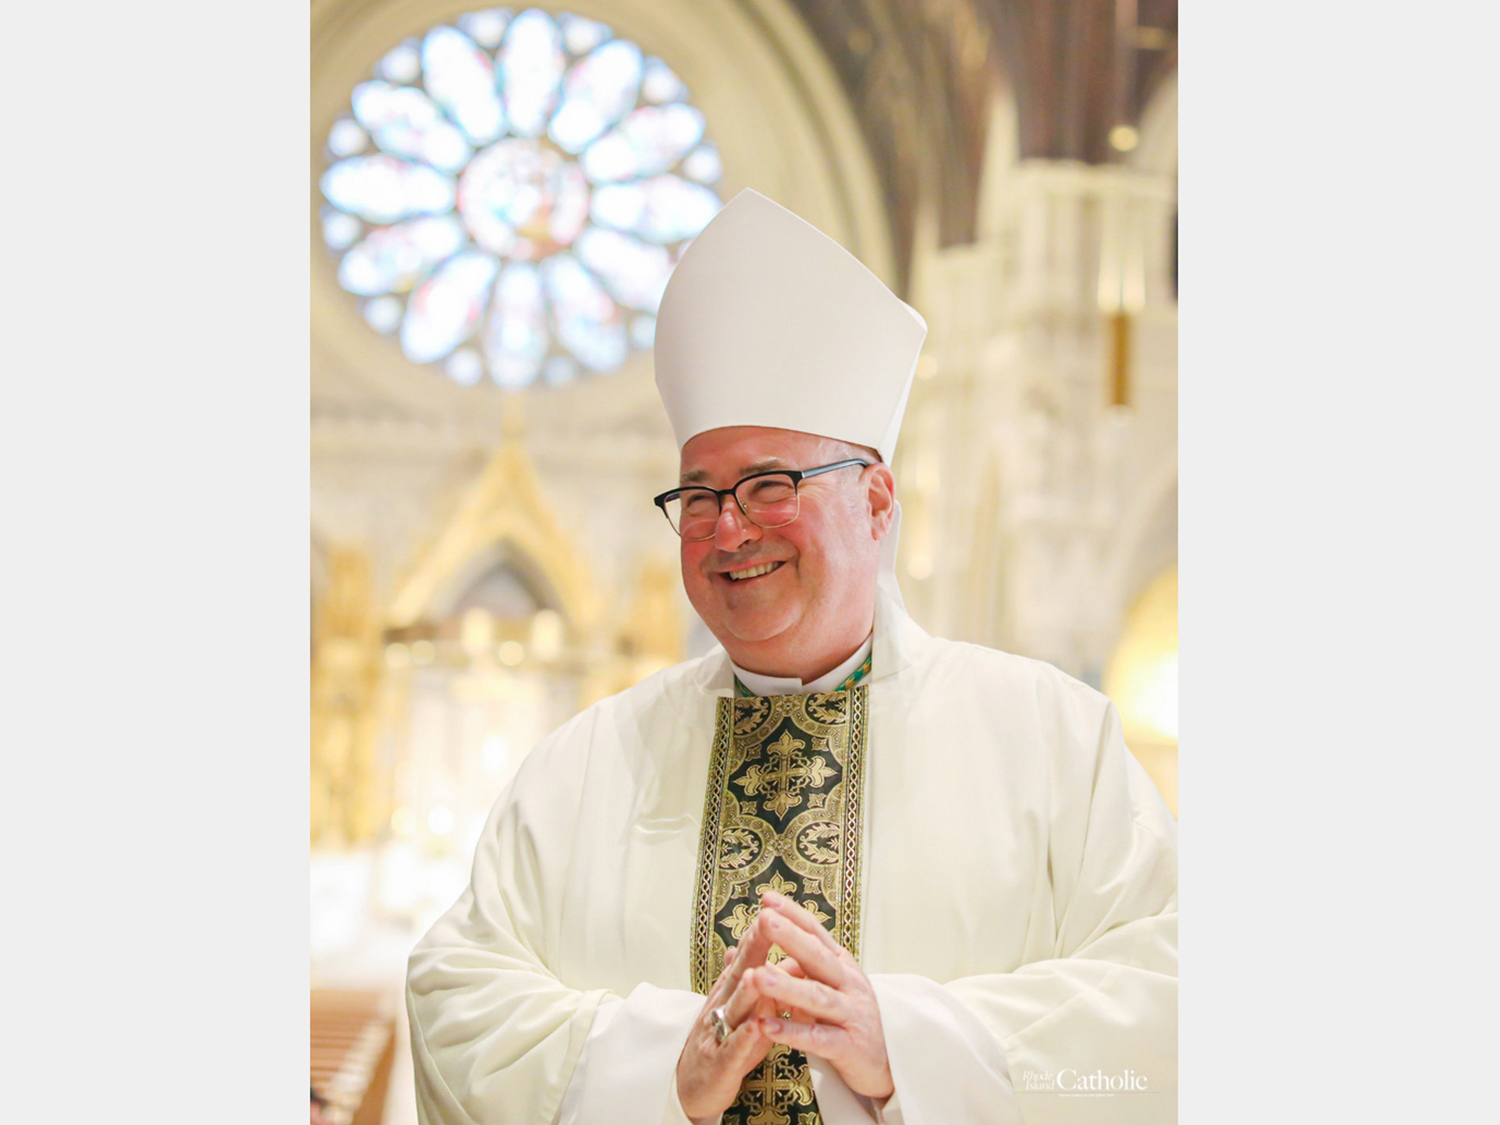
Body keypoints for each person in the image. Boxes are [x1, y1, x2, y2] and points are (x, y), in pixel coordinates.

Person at [406, 190, 1177, 1125]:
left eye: (771, 484)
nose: (730, 528)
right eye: (698, 497)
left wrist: (911, 1045)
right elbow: (452, 991)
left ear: (879, 500)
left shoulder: (1053, 738)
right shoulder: (583, 764)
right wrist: (653, 1075)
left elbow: (1170, 999)